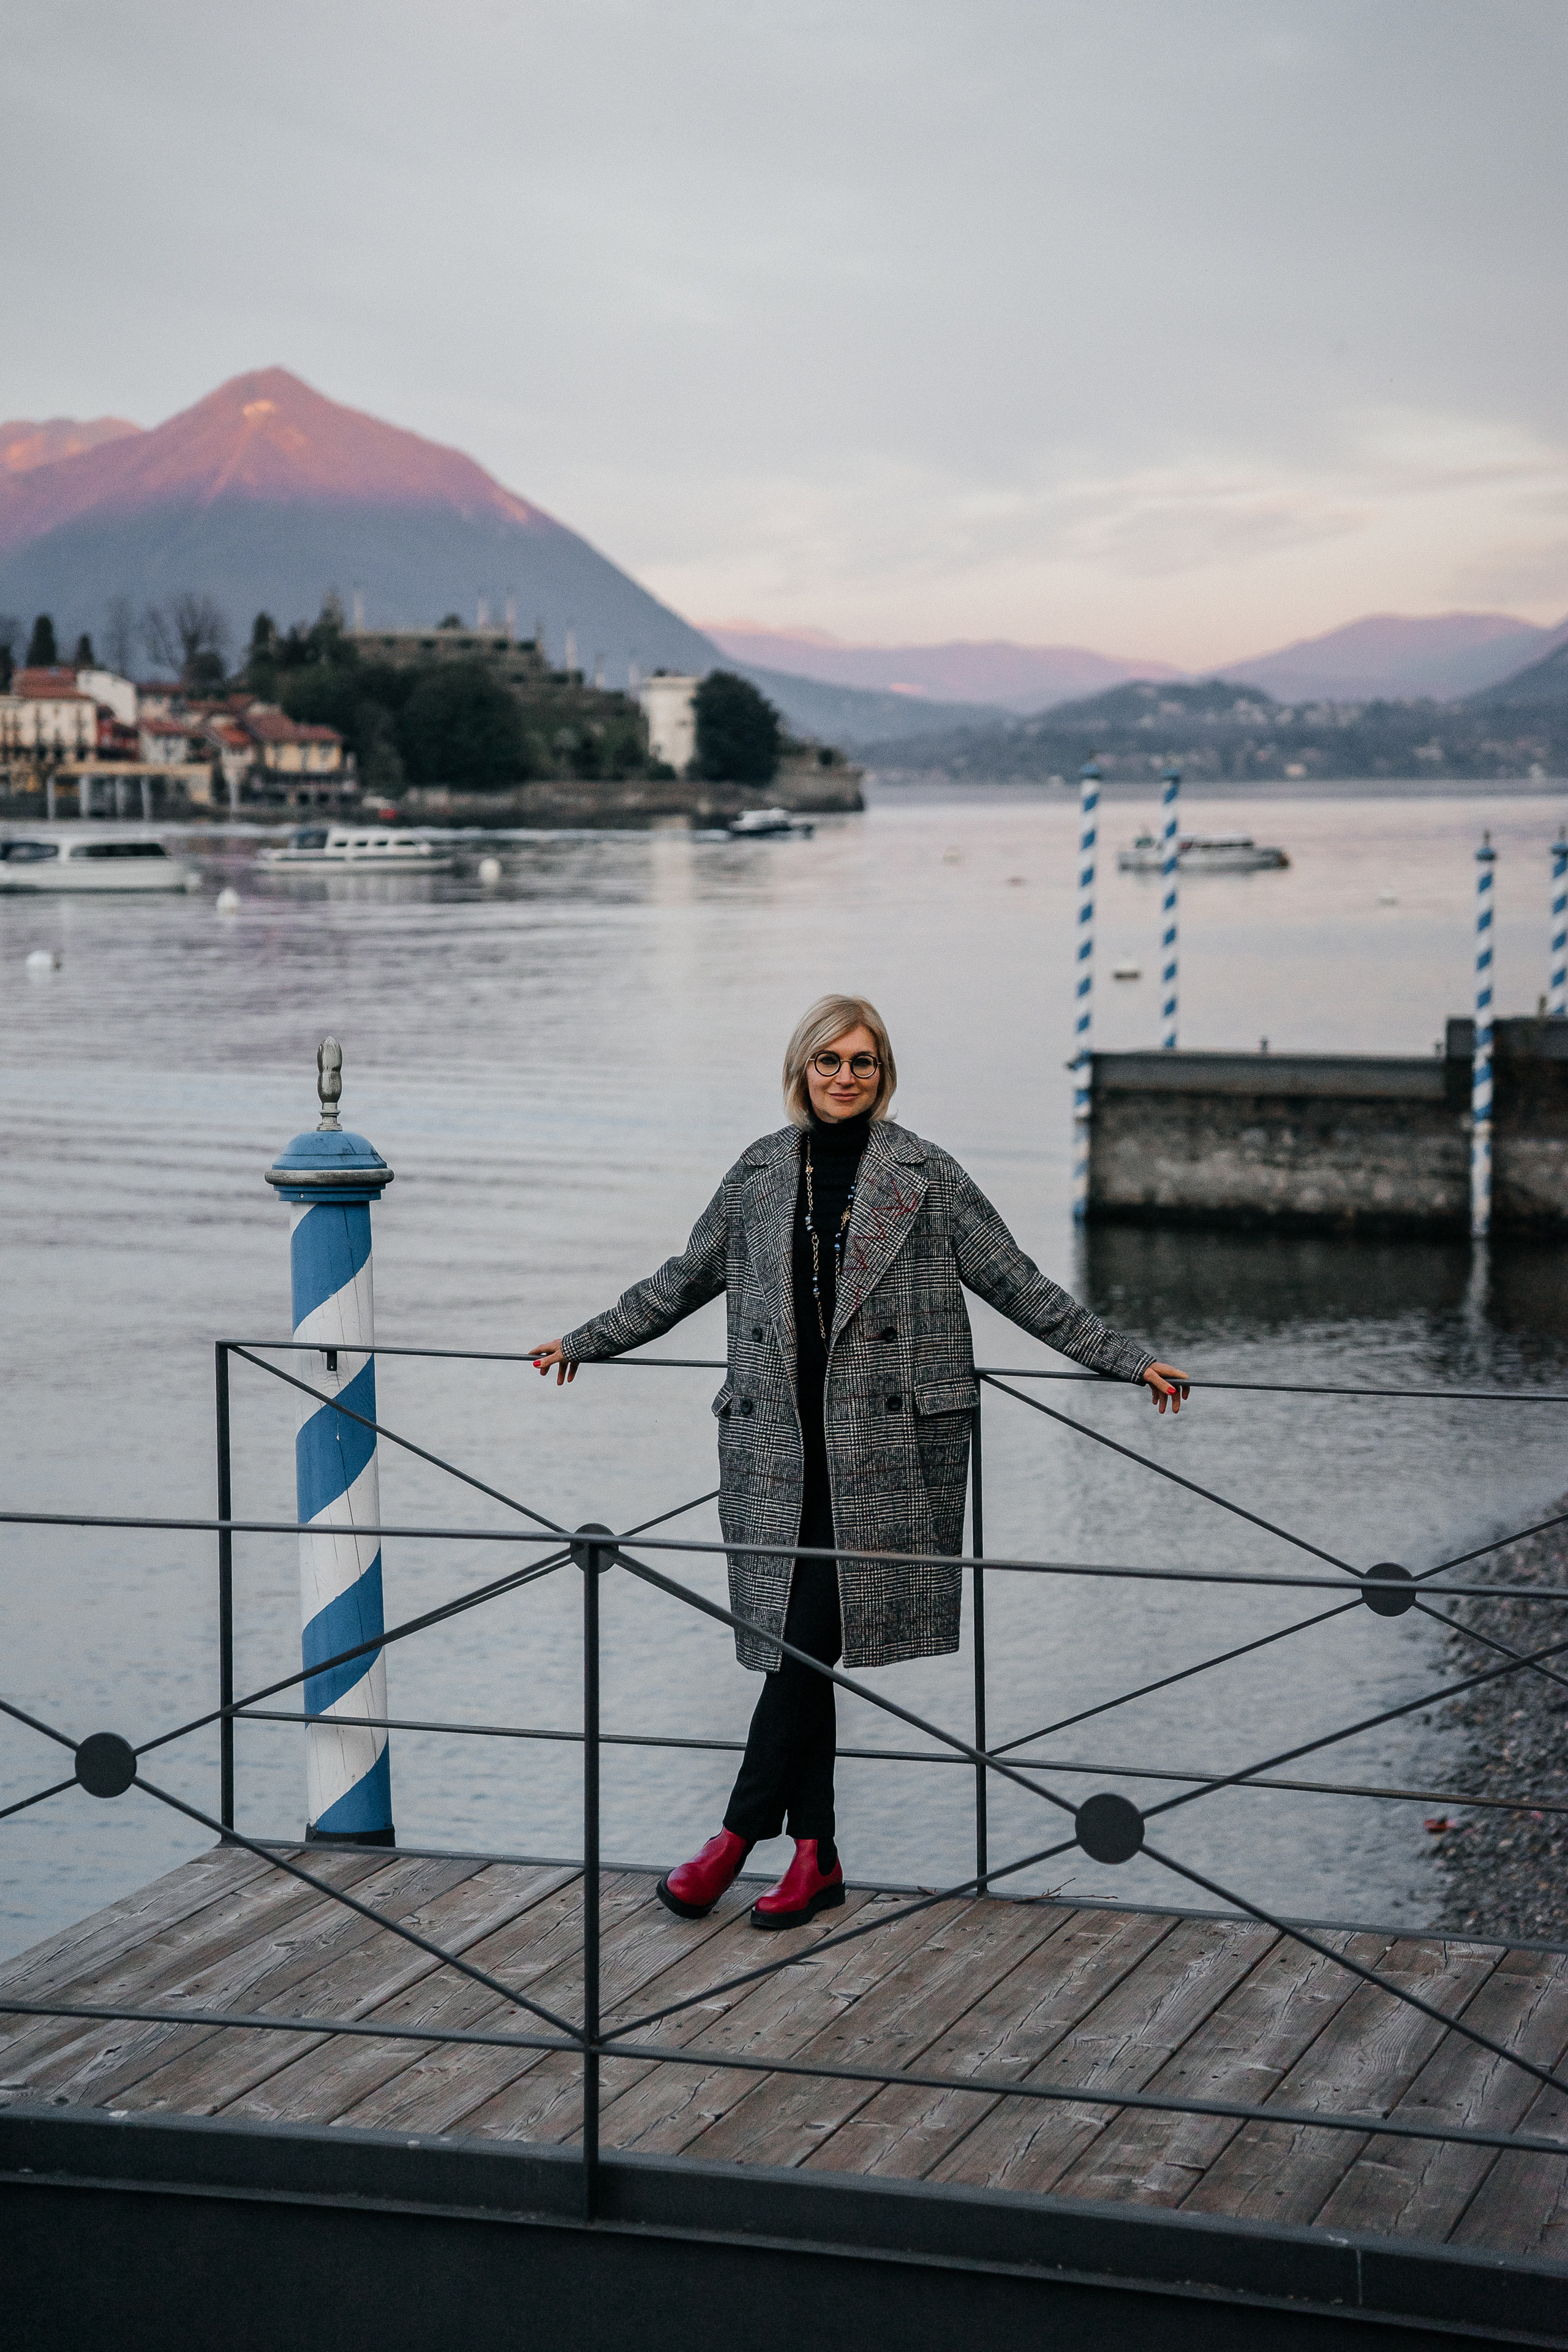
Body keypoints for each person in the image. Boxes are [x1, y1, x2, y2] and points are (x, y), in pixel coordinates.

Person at [529, 993, 1188, 1931]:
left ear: (884, 1076)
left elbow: (1021, 1283)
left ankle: (735, 1838)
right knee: (802, 1650)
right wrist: (585, 1340)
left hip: (885, 1457)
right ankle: (815, 1855)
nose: (845, 1076)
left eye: (864, 1063)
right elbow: (682, 1280)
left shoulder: (926, 1175)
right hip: (777, 1452)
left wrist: (1127, 1360)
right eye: (829, 1061)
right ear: (802, 1070)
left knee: (803, 1646)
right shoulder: (759, 1170)